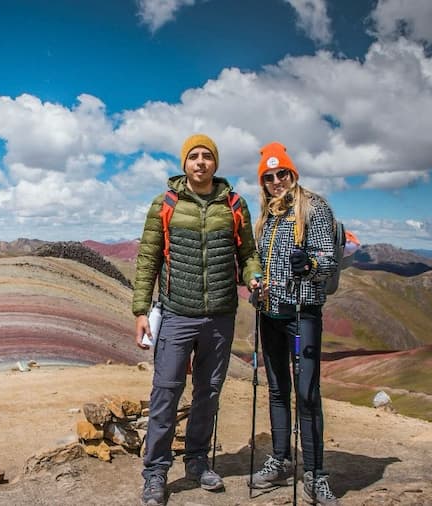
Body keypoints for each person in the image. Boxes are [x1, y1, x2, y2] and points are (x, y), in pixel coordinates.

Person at [133, 133, 261, 506]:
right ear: (184, 164)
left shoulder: (235, 204)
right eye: (194, 157)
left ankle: (196, 461)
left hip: (220, 316)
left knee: (208, 393)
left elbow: (248, 253)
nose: (201, 162)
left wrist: (253, 274)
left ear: (215, 164)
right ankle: (155, 472)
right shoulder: (165, 203)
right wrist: (141, 310)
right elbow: (148, 259)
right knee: (166, 392)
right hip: (176, 314)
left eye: (207, 156)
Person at [247, 141, 340, 505]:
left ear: (292, 173)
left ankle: (316, 474)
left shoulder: (314, 208)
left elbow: (328, 262)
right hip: (270, 312)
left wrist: (310, 266)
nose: (276, 181)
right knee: (276, 389)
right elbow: (258, 258)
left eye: (281, 173)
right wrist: (256, 281)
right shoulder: (266, 214)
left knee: (307, 394)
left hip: (303, 315)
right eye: (268, 177)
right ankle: (280, 458)